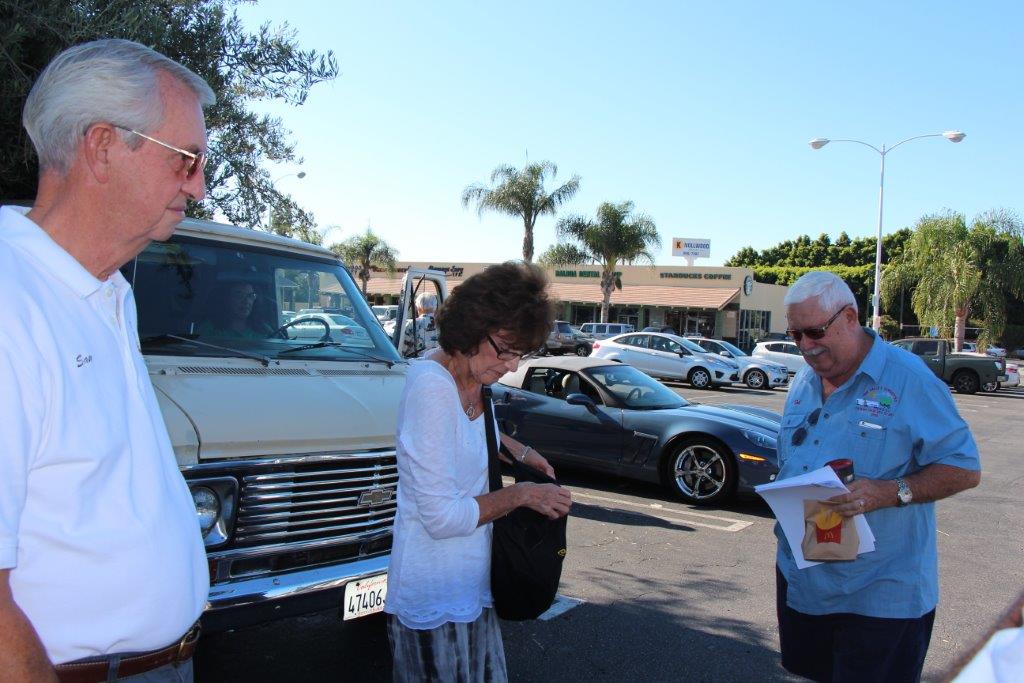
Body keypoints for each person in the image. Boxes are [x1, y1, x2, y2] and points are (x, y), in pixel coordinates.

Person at [0, 39, 215, 681]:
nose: (199, 188)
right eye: (186, 161)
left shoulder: (106, 292)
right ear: (101, 147)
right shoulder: (11, 301)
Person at [774, 271, 981, 682]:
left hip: (879, 598)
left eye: (815, 332)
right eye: (796, 335)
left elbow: (964, 467)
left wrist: (891, 491)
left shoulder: (910, 380)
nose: (806, 347)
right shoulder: (803, 380)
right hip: (804, 583)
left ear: (849, 317)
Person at [385, 262, 572, 682]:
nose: (510, 365)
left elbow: (466, 430)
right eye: (505, 350)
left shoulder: (475, 381)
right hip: (434, 594)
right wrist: (523, 494)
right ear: (471, 331)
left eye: (519, 354)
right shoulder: (431, 388)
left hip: (473, 584)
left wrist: (517, 449)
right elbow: (441, 517)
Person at [198, 280, 274, 338]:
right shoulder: (210, 329)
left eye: (251, 296)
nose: (246, 301)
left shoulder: (264, 329)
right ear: (227, 299)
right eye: (239, 295)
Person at [399, 291, 441, 358]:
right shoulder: (443, 325)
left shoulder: (412, 324)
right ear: (435, 307)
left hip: (416, 365)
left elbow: (400, 350)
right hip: (437, 365)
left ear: (418, 307)